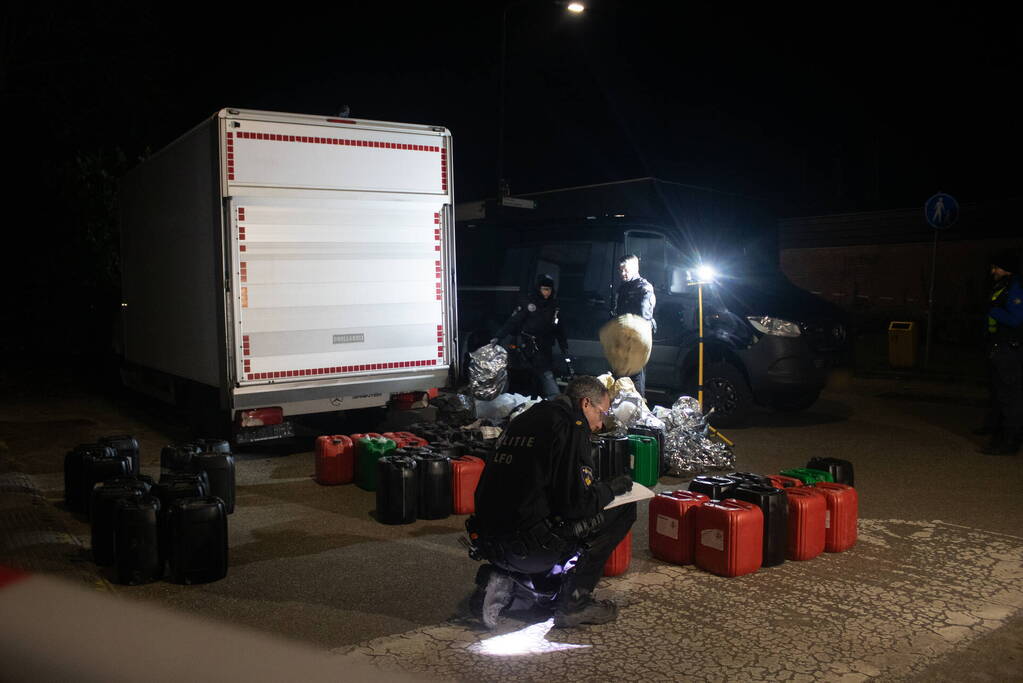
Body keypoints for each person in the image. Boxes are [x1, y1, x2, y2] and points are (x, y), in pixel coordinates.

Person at [467, 376, 636, 629]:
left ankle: (514, 579)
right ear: (586, 403)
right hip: (529, 549)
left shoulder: (527, 417)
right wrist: (610, 489)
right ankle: (575, 601)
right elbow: (577, 505)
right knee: (623, 509)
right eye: (601, 413)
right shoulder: (571, 426)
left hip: (489, 541)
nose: (601, 424)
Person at [491, 274, 571, 399]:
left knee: (546, 374)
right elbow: (513, 321)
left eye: (549, 290)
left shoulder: (554, 306)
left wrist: (564, 346)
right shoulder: (529, 303)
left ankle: (555, 401)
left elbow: (559, 329)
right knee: (516, 373)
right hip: (526, 345)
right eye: (544, 289)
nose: (547, 292)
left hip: (544, 346)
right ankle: (502, 398)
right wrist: (498, 336)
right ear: (539, 289)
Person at [976, 250, 1023, 455]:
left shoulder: (1015, 287)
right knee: (1000, 393)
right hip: (999, 346)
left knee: (1010, 396)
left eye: (996, 267)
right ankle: (999, 433)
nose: (993, 271)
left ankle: (1010, 441)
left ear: (1007, 269)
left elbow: (1016, 319)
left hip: (1009, 348)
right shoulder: (1004, 286)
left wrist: (992, 310)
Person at [611, 254, 656, 396]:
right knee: (619, 378)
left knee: (636, 378)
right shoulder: (622, 288)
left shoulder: (644, 287)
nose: (623, 273)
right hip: (622, 337)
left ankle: (638, 406)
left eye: (626, 270)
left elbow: (644, 316)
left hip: (636, 338)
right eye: (620, 270)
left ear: (635, 268)